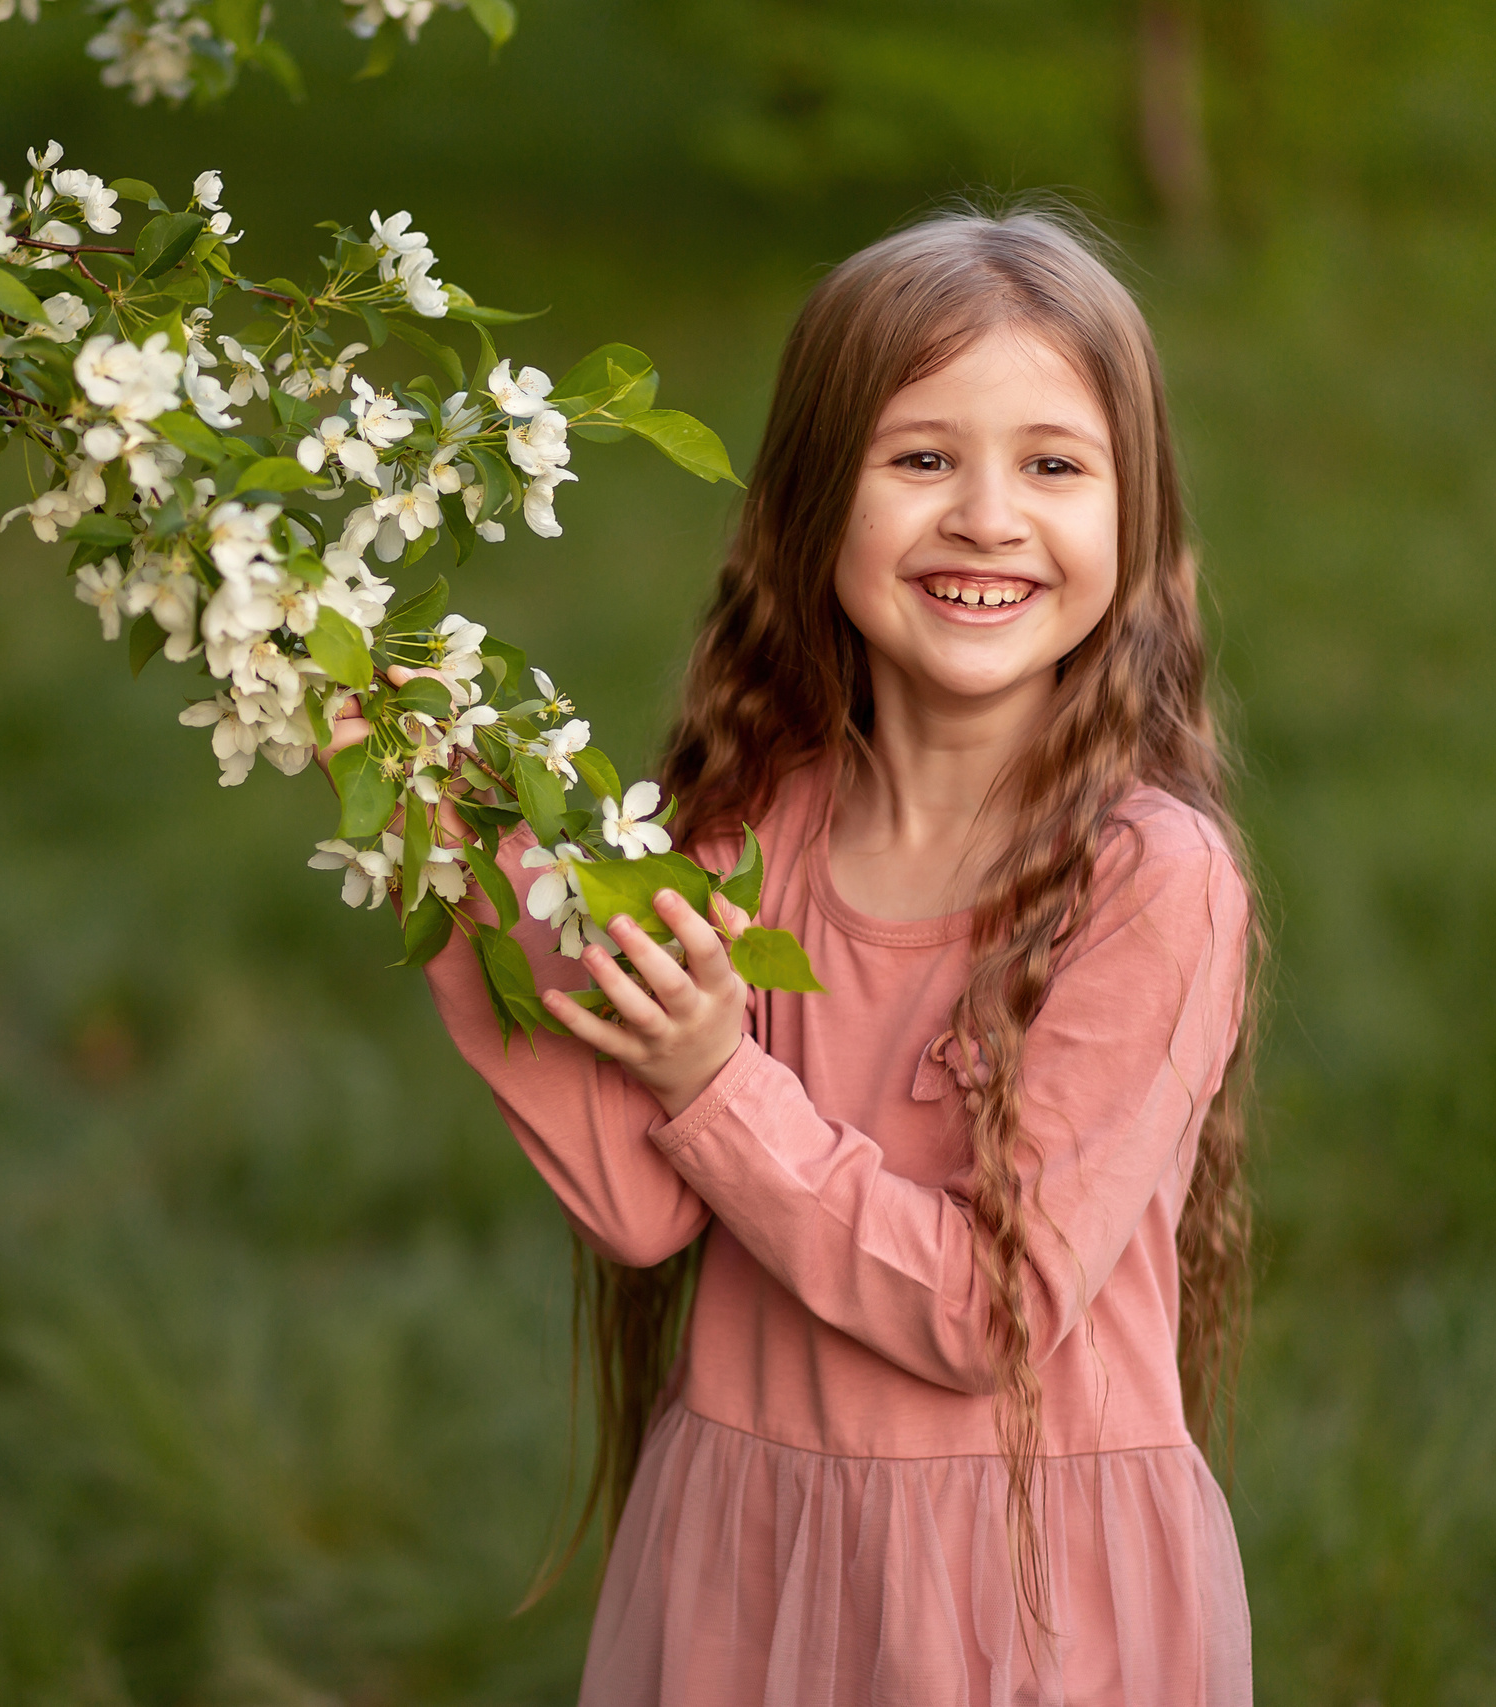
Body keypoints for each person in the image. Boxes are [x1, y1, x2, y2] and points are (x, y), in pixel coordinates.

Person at [415, 209, 1260, 1705]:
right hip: (753, 1552)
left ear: (1135, 518)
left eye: (1053, 465)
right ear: (815, 508)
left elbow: (988, 1312)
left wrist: (711, 1076)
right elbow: (634, 1202)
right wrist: (445, 818)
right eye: (921, 458)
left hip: (1019, 1596)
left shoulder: (1150, 883)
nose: (988, 517)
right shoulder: (752, 829)